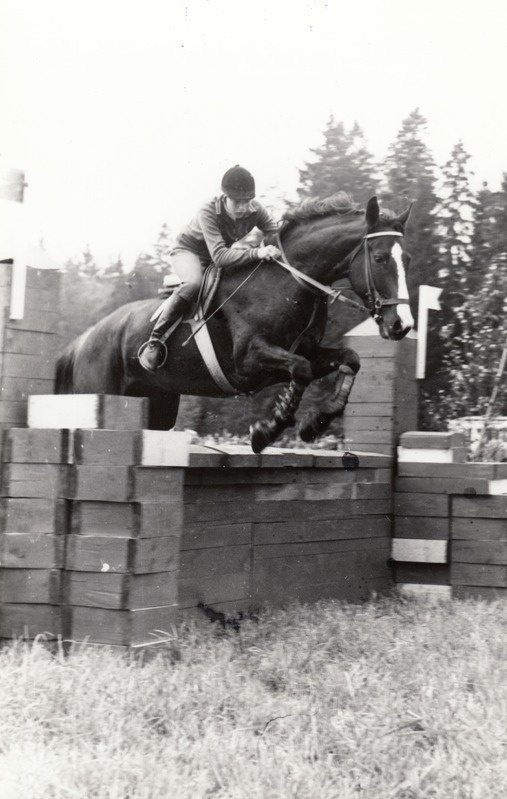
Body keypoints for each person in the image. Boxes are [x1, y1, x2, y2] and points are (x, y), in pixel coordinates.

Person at [138, 165, 281, 371]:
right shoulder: (208, 211)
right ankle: (155, 341)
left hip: (217, 255)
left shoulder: (255, 209)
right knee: (193, 283)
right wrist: (257, 252)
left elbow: (273, 231)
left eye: (246, 201)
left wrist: (270, 247)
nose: (243, 207)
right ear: (225, 197)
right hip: (189, 252)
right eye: (237, 202)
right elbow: (221, 257)